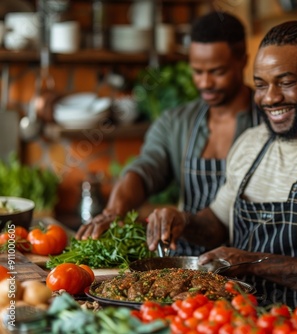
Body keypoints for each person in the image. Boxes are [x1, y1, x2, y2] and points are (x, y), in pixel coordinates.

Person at [146, 20, 297, 308]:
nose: (270, 98)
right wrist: (183, 222)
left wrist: (253, 264)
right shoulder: (251, 143)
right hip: (237, 318)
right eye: (261, 85)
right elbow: (219, 223)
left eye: (286, 83)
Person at [75, 11, 260, 256]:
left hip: (248, 260)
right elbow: (144, 171)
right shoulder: (176, 122)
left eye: (217, 71)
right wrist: (113, 212)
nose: (204, 82)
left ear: (243, 61)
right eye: (197, 71)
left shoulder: (267, 122)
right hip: (185, 262)